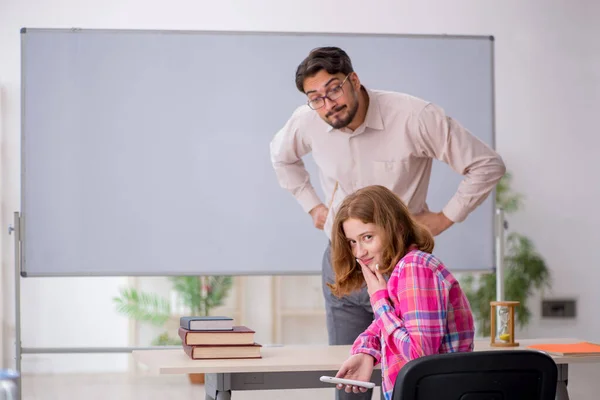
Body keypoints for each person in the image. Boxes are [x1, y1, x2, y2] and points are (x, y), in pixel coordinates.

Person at [269, 46, 503, 399]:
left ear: (354, 80)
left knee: (410, 374)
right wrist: (312, 206)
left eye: (333, 89)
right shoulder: (307, 121)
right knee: (351, 378)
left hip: (399, 266)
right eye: (315, 98)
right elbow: (281, 157)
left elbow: (486, 164)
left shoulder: (414, 116)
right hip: (345, 263)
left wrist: (444, 218)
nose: (327, 104)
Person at [329, 185, 475, 400]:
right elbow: (384, 327)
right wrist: (366, 352)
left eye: (367, 237)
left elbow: (420, 357)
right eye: (352, 242)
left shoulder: (415, 268)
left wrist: (379, 300)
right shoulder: (403, 269)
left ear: (396, 228)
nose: (359, 252)